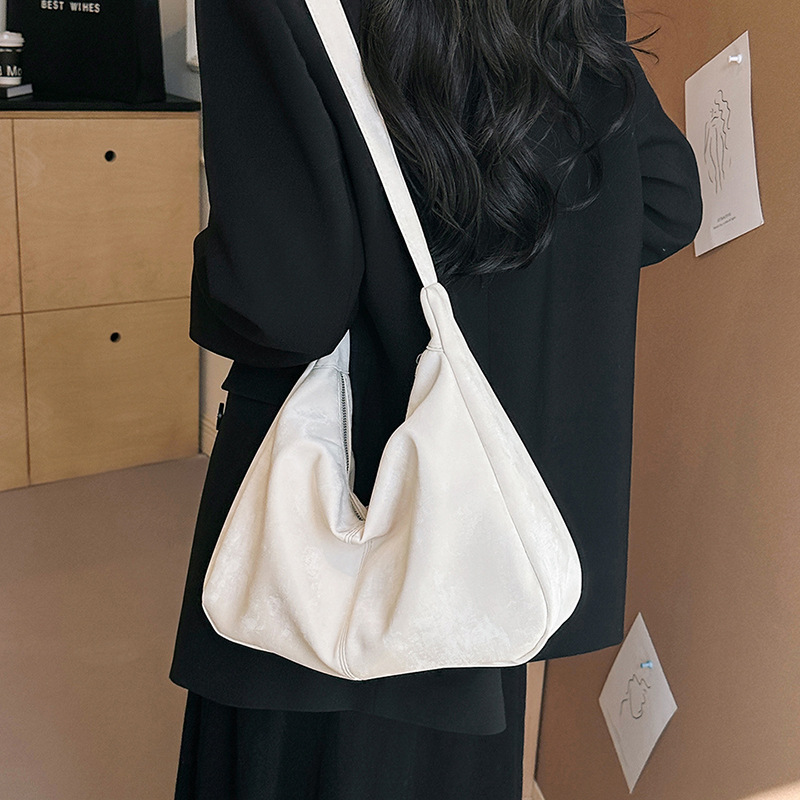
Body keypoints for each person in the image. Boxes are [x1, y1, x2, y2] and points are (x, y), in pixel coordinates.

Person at [170, 0, 703, 796]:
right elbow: (664, 200)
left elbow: (284, 305)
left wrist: (209, 287)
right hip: (479, 523)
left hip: (326, 519)